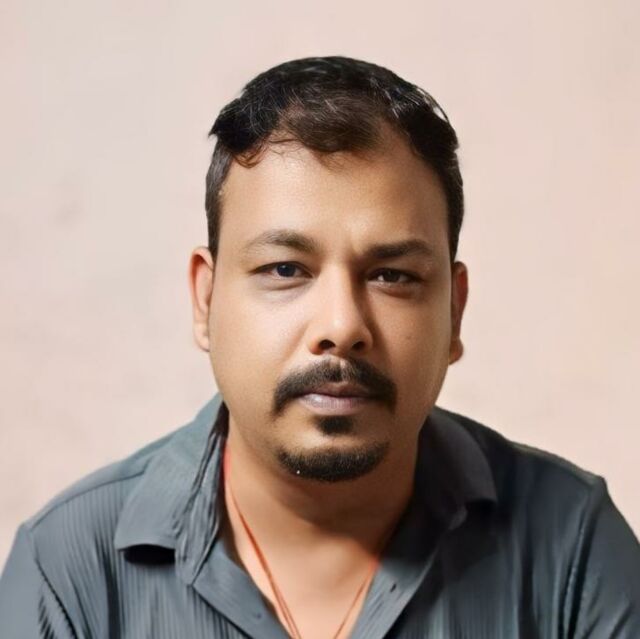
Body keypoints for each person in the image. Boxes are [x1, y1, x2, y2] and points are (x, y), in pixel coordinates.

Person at [0, 55, 638, 638]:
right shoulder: (69, 573)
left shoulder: (573, 548)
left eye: (392, 275)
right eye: (285, 269)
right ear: (205, 300)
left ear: (454, 312)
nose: (341, 325)